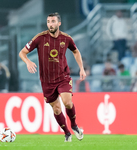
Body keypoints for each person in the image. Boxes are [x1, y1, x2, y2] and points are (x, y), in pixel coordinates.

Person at [19, 12, 86, 142]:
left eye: (53, 21)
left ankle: (74, 125)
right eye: (49, 22)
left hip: (63, 77)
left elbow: (76, 51)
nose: (50, 24)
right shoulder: (40, 38)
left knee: (67, 102)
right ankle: (67, 133)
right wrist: (28, 61)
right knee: (56, 108)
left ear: (59, 23)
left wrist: (81, 68)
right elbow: (22, 52)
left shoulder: (66, 39)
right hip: (47, 81)